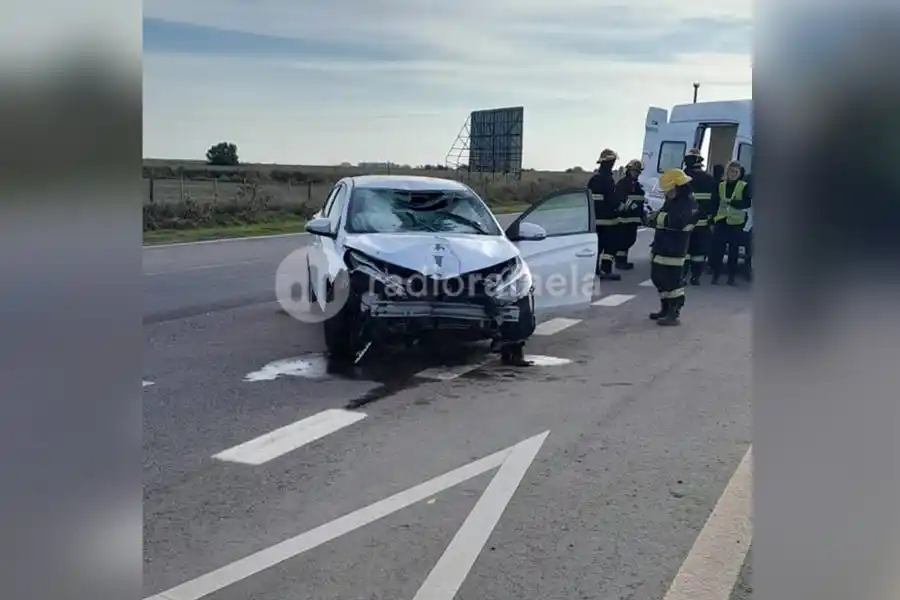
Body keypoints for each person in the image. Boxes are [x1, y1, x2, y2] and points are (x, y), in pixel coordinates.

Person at [646, 168, 697, 326]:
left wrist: (657, 218)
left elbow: (677, 221)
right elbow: (662, 216)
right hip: (661, 245)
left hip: (675, 248)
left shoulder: (688, 202)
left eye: (668, 190)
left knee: (673, 282)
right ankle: (665, 308)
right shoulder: (673, 200)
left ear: (678, 187)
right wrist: (653, 217)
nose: (666, 194)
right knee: (658, 278)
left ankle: (673, 313)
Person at [709, 160, 752, 285]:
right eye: (731, 171)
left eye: (735, 172)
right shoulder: (721, 185)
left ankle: (731, 277)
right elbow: (714, 202)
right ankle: (716, 275)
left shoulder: (743, 186)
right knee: (718, 250)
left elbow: (747, 203)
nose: (733, 174)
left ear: (739, 173)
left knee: (734, 251)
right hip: (721, 220)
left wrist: (732, 203)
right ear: (727, 172)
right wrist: (712, 217)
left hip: (736, 222)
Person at [682, 149, 717, 285]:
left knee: (684, 250)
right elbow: (714, 201)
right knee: (699, 252)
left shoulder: (683, 177)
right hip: (703, 222)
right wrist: (711, 218)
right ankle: (695, 277)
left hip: (686, 221)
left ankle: (682, 276)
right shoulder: (709, 178)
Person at [587, 148, 622, 280]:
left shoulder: (594, 179)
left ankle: (595, 269)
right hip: (608, 220)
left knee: (597, 246)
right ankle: (606, 270)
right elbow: (612, 200)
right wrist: (621, 207)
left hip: (594, 219)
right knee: (610, 246)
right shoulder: (608, 180)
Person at [613, 158, 646, 270]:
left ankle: (623, 261)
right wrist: (632, 206)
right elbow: (620, 197)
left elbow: (640, 199)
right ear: (629, 170)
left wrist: (642, 214)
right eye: (634, 171)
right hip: (624, 219)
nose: (636, 173)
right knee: (623, 241)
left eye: (638, 172)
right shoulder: (623, 183)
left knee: (630, 240)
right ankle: (620, 262)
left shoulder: (637, 185)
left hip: (633, 219)